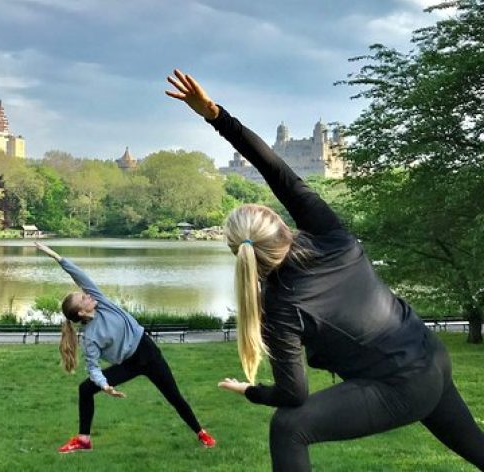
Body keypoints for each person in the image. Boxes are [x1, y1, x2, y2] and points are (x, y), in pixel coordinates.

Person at [166, 69, 484, 471]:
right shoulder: (332, 237)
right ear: (278, 222)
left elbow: (293, 395)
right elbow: (276, 170)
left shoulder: (279, 306)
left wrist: (252, 392)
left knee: (289, 427)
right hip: (430, 357)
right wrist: (214, 114)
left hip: (402, 384)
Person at [34, 241, 216, 453]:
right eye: (83, 298)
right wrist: (104, 385)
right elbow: (92, 367)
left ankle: (201, 433)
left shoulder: (101, 301)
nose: (88, 295)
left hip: (147, 352)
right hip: (129, 364)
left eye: (85, 293)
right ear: (82, 313)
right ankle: (83, 439)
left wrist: (54, 255)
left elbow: (79, 275)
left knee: (173, 395)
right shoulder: (91, 337)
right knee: (85, 388)